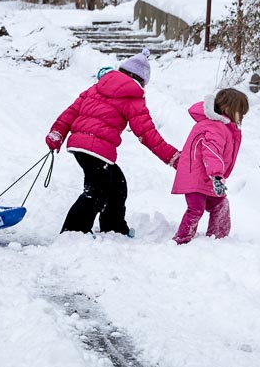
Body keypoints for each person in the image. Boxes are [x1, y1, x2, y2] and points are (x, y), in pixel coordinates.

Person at [45, 49, 181, 236]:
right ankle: (73, 233)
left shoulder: (97, 87)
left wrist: (57, 133)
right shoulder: (133, 97)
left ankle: (114, 228)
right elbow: (148, 134)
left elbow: (71, 112)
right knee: (97, 191)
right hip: (97, 149)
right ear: (142, 81)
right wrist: (173, 157)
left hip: (79, 144)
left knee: (117, 184)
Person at [171, 88, 249, 244]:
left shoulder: (223, 128)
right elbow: (211, 152)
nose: (241, 116)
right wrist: (217, 175)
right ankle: (181, 239)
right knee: (196, 209)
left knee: (221, 204)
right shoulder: (215, 127)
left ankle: (218, 238)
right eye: (240, 112)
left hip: (208, 178)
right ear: (228, 108)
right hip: (197, 177)